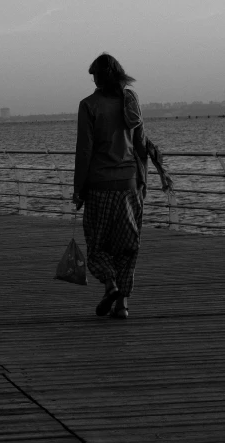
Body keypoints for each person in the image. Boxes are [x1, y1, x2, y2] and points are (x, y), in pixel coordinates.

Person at [73, 53, 172, 319]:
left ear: (99, 77)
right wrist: (150, 175)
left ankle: (111, 285)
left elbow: (84, 151)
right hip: (130, 186)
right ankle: (122, 306)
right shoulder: (131, 101)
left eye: (94, 75)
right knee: (128, 245)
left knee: (96, 245)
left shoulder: (88, 105)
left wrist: (78, 189)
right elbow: (141, 144)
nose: (92, 80)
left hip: (100, 186)